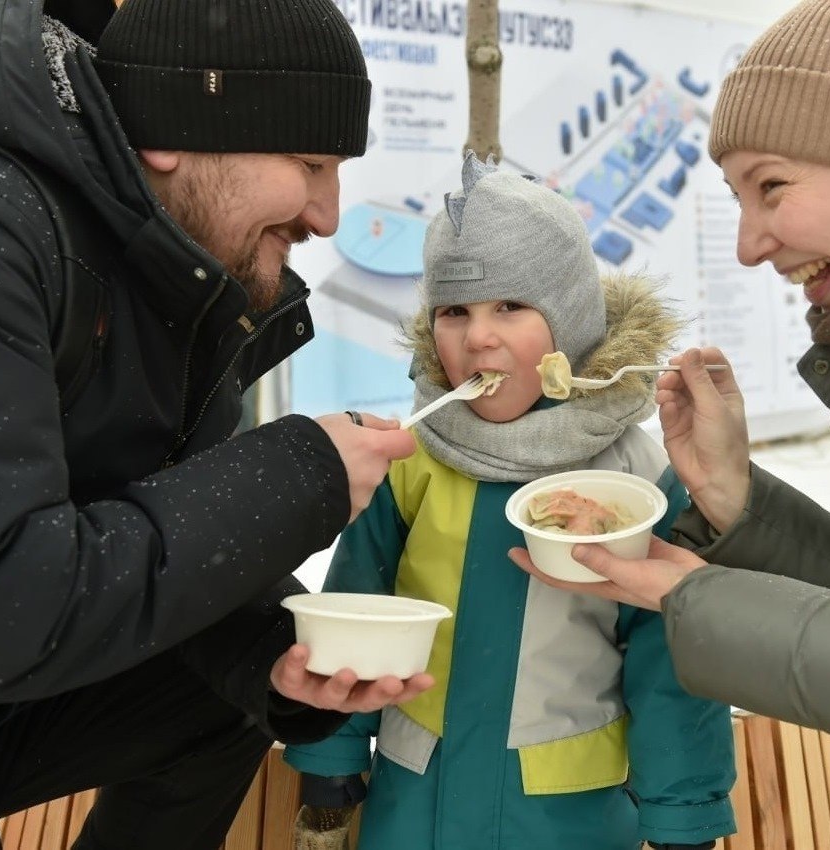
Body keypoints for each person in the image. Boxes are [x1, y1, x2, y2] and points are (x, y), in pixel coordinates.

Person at [510, 0, 830, 846]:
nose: (749, 245)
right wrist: (739, 500)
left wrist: (690, 596)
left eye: (772, 186)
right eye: (737, 199)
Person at [0, 0, 435, 847]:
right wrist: (294, 475)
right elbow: (0, 598)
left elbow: (140, 509)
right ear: (173, 132)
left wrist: (272, 654)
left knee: (225, 695)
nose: (328, 215)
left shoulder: (172, 268)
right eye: (309, 162)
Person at [282, 154, 737, 850]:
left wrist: (682, 813)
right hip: (417, 797)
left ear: (571, 320)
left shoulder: (637, 479)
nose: (477, 337)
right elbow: (358, 607)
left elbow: (671, 656)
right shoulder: (412, 458)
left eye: (511, 307)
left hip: (562, 813)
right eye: (454, 312)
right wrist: (331, 755)